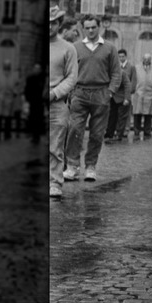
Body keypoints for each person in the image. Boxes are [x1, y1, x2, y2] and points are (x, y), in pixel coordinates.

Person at [64, 15, 121, 181]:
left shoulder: (109, 48)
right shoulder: (75, 47)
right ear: (83, 28)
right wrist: (71, 92)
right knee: (75, 130)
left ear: (99, 27)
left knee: (97, 133)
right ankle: (72, 165)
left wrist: (110, 92)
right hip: (80, 93)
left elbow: (116, 73)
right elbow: (69, 72)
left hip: (101, 93)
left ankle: (90, 166)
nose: (90, 31)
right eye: (87, 28)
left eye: (93, 27)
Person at [48, 6, 78, 197]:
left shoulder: (68, 49)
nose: (50, 27)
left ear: (59, 25)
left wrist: (54, 93)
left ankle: (55, 182)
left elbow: (71, 77)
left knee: (55, 146)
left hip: (57, 104)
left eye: (53, 23)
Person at [104, 49, 133, 142]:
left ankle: (119, 134)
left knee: (122, 117)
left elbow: (127, 85)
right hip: (112, 98)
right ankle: (109, 133)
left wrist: (127, 98)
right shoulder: (108, 72)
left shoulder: (122, 73)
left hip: (122, 98)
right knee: (111, 116)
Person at [131, 53, 152, 139]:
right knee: (137, 113)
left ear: (150, 60)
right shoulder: (136, 68)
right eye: (145, 58)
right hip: (139, 93)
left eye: (148, 59)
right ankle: (137, 131)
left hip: (149, 93)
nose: (147, 60)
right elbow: (133, 79)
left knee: (148, 114)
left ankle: (147, 131)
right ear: (142, 59)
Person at [0, 59, 22, 139]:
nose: (7, 66)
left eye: (8, 65)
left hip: (9, 98)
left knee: (8, 117)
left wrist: (15, 92)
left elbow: (18, 85)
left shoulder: (14, 75)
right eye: (5, 64)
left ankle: (7, 133)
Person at [24, 63, 46, 144]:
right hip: (33, 102)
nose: (36, 70)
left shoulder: (42, 79)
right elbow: (27, 90)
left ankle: (37, 135)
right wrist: (28, 99)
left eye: (38, 69)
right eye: (35, 68)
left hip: (40, 102)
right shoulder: (30, 78)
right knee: (32, 119)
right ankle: (33, 135)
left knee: (39, 119)